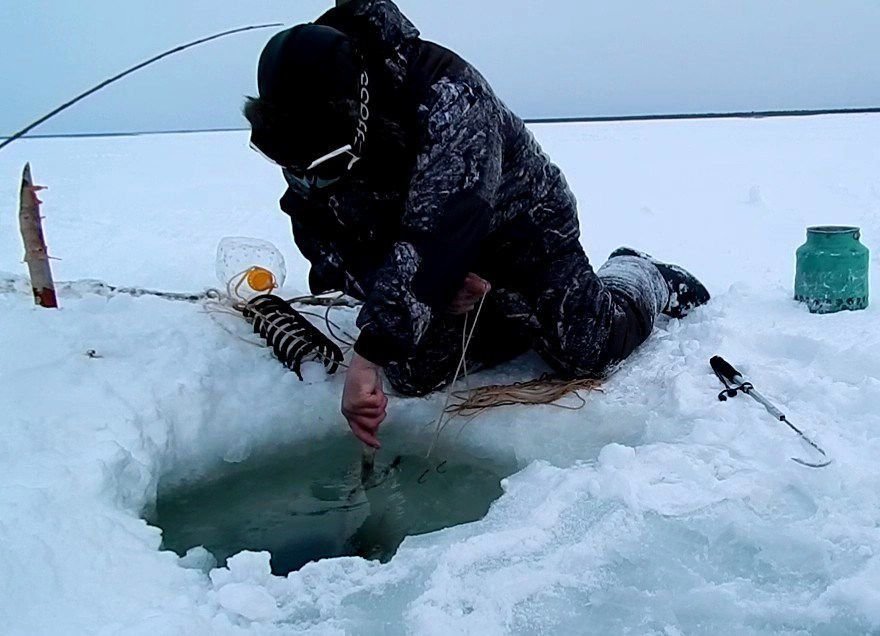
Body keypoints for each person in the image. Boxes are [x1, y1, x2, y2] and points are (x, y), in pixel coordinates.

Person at [244, 0, 710, 449]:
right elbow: (328, 245)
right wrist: (429, 293)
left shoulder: (448, 95)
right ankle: (502, 315)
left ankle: (640, 273)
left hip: (524, 227)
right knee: (411, 372)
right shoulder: (309, 128)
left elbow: (444, 225)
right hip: (429, 249)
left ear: (358, 110)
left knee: (584, 346)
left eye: (327, 166)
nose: (312, 181)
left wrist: (369, 352)